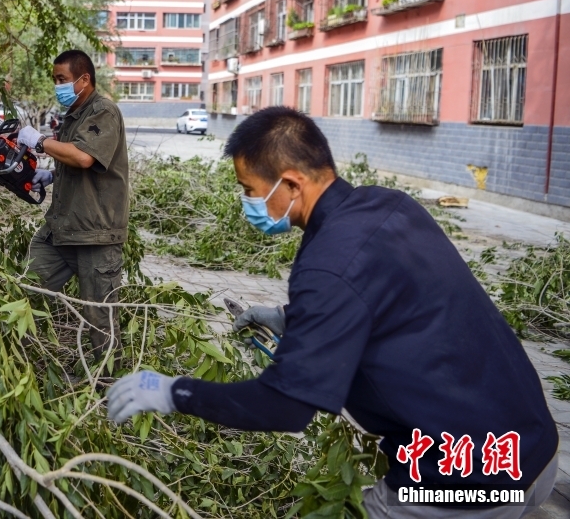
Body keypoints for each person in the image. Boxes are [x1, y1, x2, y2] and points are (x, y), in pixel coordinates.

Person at [106, 107, 558, 517]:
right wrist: (292, 317)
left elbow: (286, 407)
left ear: (291, 184)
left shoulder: (327, 265)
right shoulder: (389, 204)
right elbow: (391, 296)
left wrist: (174, 393)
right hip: (532, 446)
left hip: (469, 481)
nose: (246, 203)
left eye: (249, 190)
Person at [17, 50, 129, 368]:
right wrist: (49, 175)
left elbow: (83, 158)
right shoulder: (74, 116)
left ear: (84, 80)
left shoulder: (103, 112)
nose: (57, 86)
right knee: (24, 292)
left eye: (62, 80)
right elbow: (73, 165)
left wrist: (39, 141)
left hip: (95, 234)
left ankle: (108, 390)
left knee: (100, 320)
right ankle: (16, 367)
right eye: (54, 80)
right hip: (61, 231)